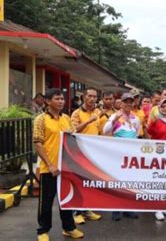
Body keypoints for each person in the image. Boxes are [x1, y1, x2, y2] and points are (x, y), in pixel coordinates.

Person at [33, 88, 84, 241]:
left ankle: (69, 228)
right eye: (57, 99)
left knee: (66, 199)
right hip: (49, 168)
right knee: (46, 202)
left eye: (62, 99)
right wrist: (49, 165)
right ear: (48, 101)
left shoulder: (66, 119)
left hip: (66, 168)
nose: (61, 101)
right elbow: (38, 143)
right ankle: (43, 231)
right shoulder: (41, 119)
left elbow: (72, 138)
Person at [103, 93, 141, 221]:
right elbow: (105, 131)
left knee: (130, 182)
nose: (128, 104)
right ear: (121, 103)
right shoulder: (115, 116)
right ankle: (116, 209)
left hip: (130, 157)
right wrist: (113, 120)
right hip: (117, 156)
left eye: (131, 102)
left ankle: (128, 209)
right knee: (116, 182)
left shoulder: (136, 118)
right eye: (126, 102)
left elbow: (136, 135)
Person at [70, 88, 102, 224]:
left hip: (94, 152)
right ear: (83, 97)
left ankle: (87, 209)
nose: (92, 99)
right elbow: (74, 130)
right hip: (79, 152)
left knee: (90, 182)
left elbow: (100, 131)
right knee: (79, 181)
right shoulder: (76, 113)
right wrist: (88, 121)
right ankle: (76, 212)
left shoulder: (98, 112)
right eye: (89, 96)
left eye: (94, 96)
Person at [146, 98, 166, 221]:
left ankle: (165, 206)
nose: (165, 109)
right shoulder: (155, 121)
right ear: (159, 108)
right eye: (163, 107)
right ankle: (157, 208)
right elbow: (149, 131)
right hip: (158, 154)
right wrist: (152, 122)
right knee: (158, 180)